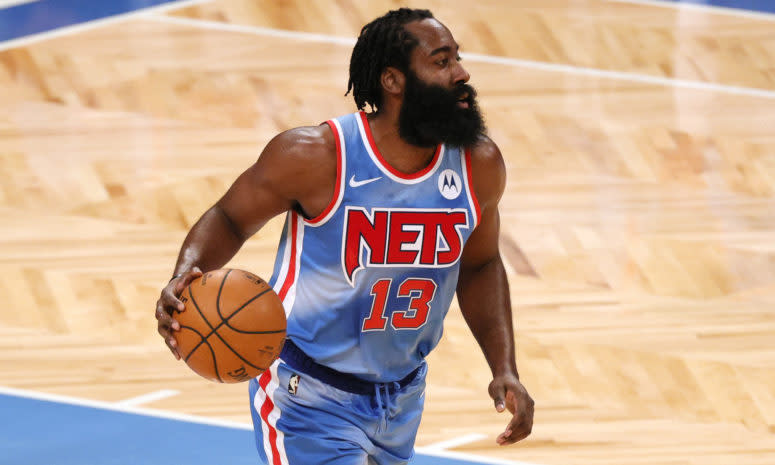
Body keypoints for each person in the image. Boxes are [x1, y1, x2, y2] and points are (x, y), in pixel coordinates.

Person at [155, 7, 534, 465]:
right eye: (441, 62)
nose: (461, 73)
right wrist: (185, 276)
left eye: (456, 58)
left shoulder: (478, 164)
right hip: (307, 393)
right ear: (393, 82)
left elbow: (479, 265)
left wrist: (504, 367)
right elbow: (230, 218)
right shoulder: (317, 156)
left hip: (402, 397)